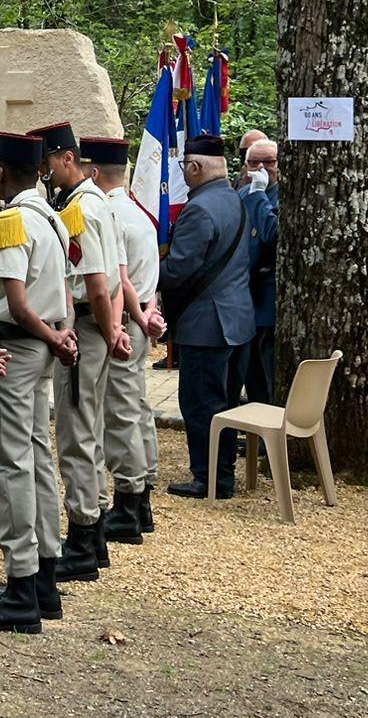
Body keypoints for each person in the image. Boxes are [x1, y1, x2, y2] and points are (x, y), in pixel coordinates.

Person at [0, 131, 73, 625]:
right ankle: (44, 574)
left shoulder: (12, 219)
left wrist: (54, 338)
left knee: (11, 461)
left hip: (15, 344)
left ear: (0, 170)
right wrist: (63, 335)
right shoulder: (53, 217)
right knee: (36, 456)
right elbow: (67, 292)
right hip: (45, 343)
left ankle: (21, 583)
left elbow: (15, 301)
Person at [31, 122, 127, 579]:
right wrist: (115, 330)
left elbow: (97, 283)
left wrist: (109, 333)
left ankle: (84, 538)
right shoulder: (95, 201)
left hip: (86, 328)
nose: (44, 172)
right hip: (98, 325)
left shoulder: (80, 210)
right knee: (88, 428)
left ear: (67, 158)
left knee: (76, 435)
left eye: (48, 161)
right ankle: (98, 528)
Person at [162, 135, 255, 501]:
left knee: (200, 404)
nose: (183, 173)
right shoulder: (234, 199)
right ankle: (223, 473)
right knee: (226, 403)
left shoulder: (199, 209)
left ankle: (209, 477)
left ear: (196, 167)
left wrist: (140, 275)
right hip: (237, 319)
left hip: (206, 325)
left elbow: (180, 268)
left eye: (185, 166)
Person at [85, 136, 166, 542]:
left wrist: (131, 318)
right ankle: (143, 489)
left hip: (122, 321)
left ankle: (129, 500)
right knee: (135, 404)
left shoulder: (110, 215)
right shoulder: (139, 215)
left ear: (94, 172)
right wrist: (149, 314)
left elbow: (119, 279)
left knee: (119, 413)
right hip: (141, 317)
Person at [233, 138, 279, 405]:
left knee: (269, 374)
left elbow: (272, 235)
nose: (261, 168)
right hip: (242, 302)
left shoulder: (280, 194)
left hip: (267, 301)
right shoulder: (238, 196)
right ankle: (256, 440)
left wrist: (259, 195)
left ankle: (270, 441)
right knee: (251, 380)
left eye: (269, 162)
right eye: (254, 162)